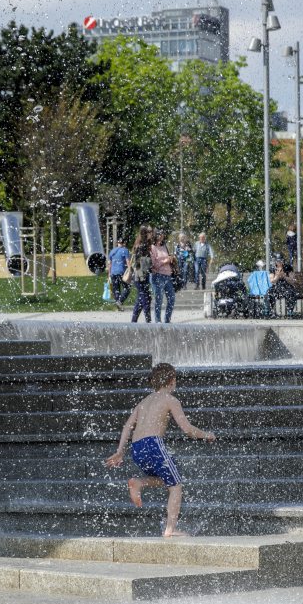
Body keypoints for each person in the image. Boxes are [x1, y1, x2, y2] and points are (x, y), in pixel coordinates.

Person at [104, 363, 216, 537]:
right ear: (172, 380)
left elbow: (127, 426)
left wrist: (120, 451)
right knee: (176, 486)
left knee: (166, 479)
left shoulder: (144, 402)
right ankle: (170, 530)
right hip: (153, 444)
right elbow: (186, 429)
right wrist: (207, 435)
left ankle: (139, 482)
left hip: (136, 448)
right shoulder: (171, 400)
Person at [149, 230, 177, 323]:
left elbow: (168, 258)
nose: (162, 237)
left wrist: (171, 259)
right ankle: (158, 320)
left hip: (168, 276)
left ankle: (167, 320)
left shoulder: (164, 246)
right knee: (159, 299)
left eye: (162, 235)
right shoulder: (152, 248)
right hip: (158, 276)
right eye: (160, 235)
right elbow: (153, 264)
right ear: (156, 236)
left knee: (171, 298)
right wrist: (165, 261)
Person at [130, 225, 153, 323]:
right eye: (149, 232)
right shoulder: (142, 245)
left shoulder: (141, 244)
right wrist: (149, 264)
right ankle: (148, 319)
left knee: (141, 298)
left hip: (142, 274)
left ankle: (134, 320)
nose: (151, 234)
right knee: (145, 297)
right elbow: (139, 262)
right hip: (140, 275)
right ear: (146, 233)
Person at [107, 239, 132, 311]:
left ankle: (118, 306)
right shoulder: (125, 250)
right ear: (124, 243)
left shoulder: (112, 251)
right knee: (127, 288)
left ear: (117, 243)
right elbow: (127, 261)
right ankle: (120, 302)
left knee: (116, 290)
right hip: (121, 272)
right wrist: (130, 270)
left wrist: (109, 274)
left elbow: (109, 264)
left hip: (113, 273)